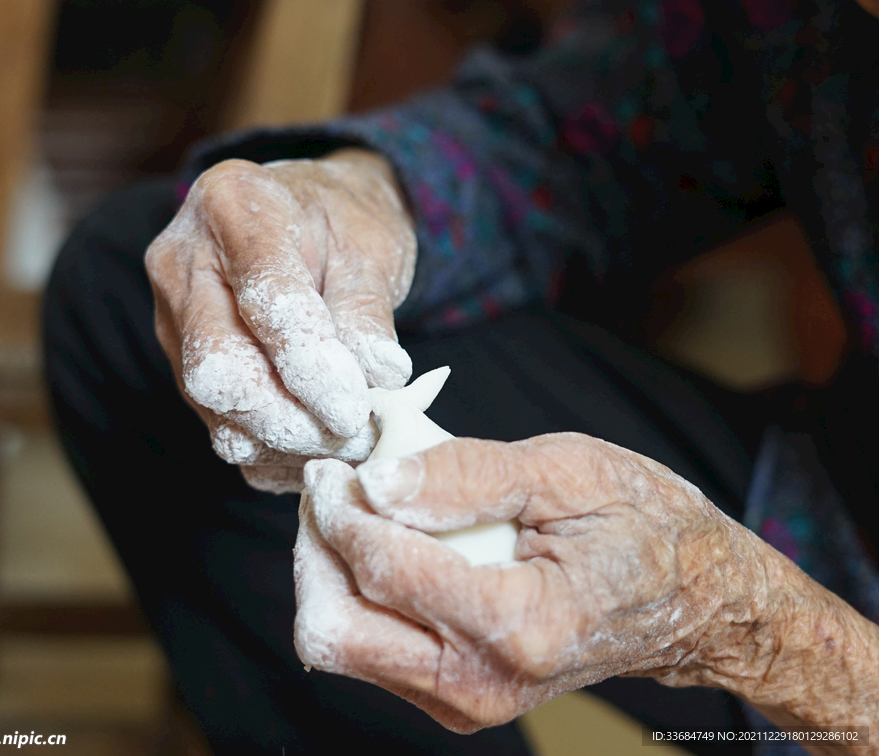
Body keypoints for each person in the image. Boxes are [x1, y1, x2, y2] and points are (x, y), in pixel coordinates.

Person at [43, 0, 879, 753]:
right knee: (170, 286)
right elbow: (584, 134)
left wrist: (748, 623)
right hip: (830, 503)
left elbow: (753, 624)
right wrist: (364, 197)